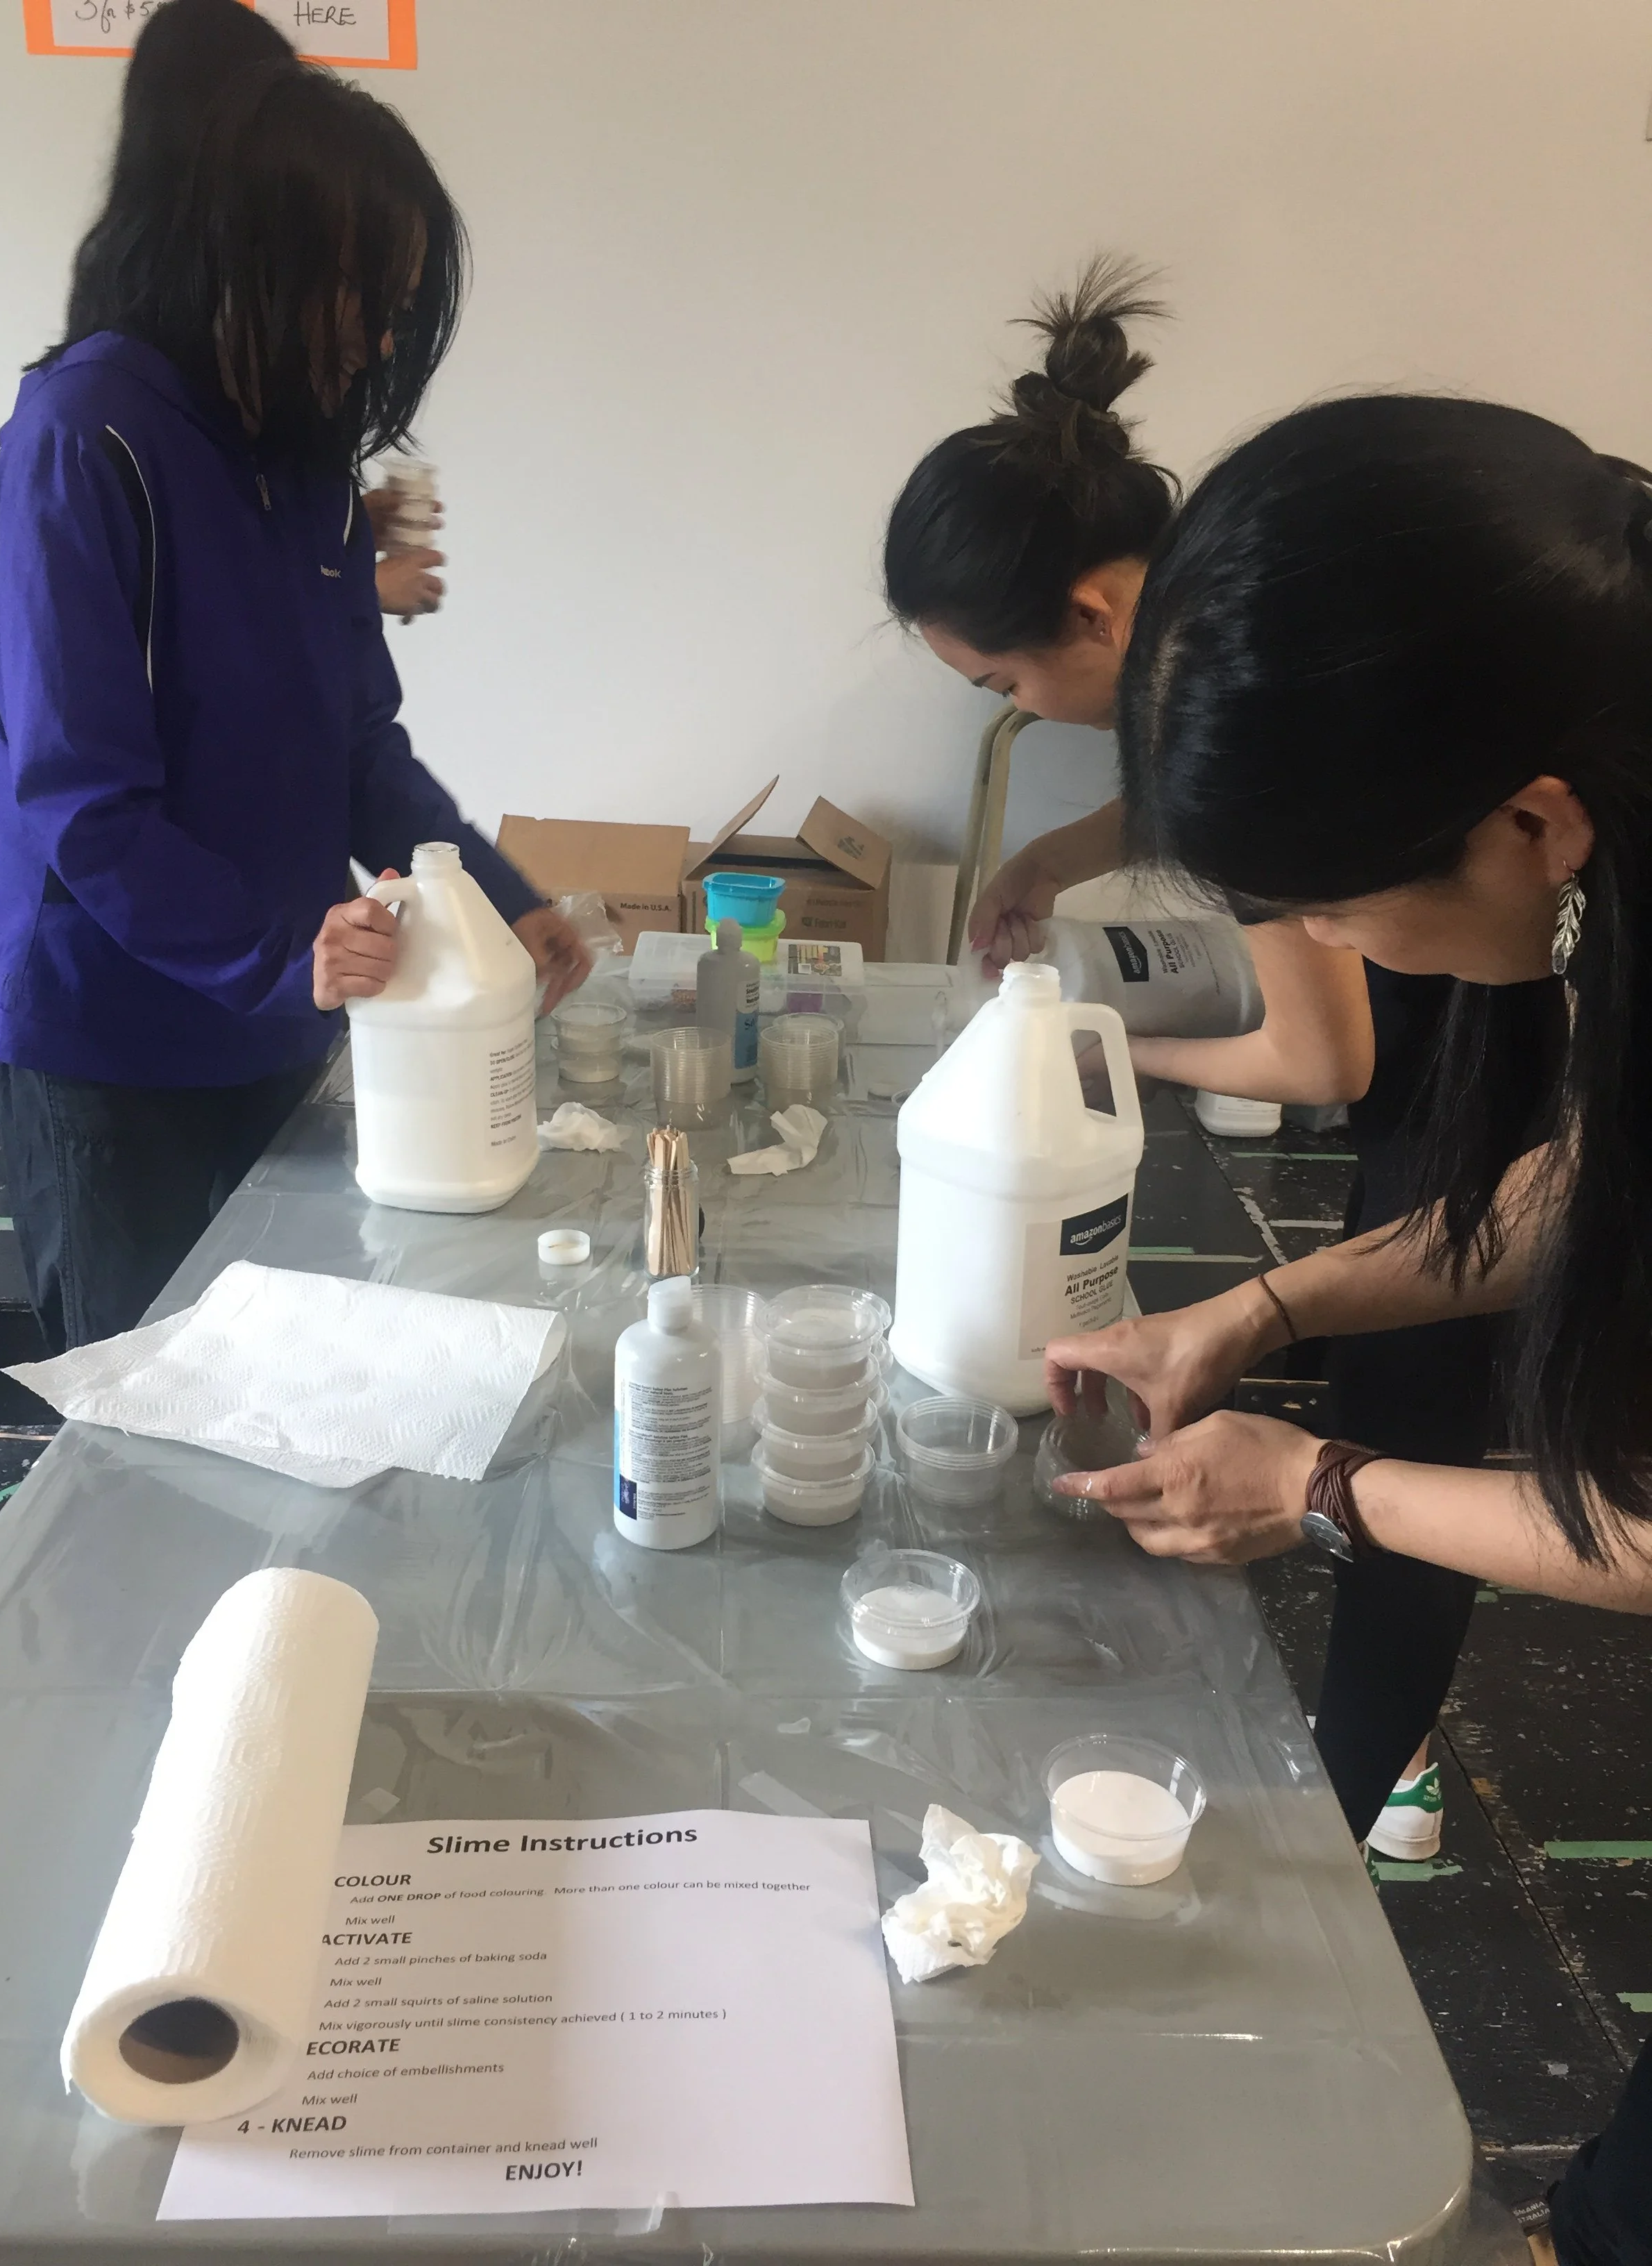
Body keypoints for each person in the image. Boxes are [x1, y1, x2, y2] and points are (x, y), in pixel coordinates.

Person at [1042, 391, 1652, 2266]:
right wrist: (1262, 1305)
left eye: (1339, 907)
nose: (1353, 953)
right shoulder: (1602, 837)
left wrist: (1329, 1485)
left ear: (1525, 821)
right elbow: (1582, 1196)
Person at [881, 260, 1544, 1859]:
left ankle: (1371, 1755)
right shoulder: (1218, 657)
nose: (1319, 929)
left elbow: (1323, 1058)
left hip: (1457, 1111)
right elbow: (1528, 1214)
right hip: (1473, 1103)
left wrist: (1329, 1485)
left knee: (1425, 1400)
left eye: (1000, 682)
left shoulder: (1261, 717)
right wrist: (1259, 1315)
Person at [0, 42, 589, 1356]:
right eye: (365, 293)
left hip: (283, 1003)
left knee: (294, 1358)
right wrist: (271, 957)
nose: (377, 335)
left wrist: (496, 895)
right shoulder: (88, 445)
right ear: (256, 257)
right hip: (112, 1035)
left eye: (398, 303)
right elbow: (85, 806)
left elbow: (361, 745)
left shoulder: (301, 466)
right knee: (141, 1392)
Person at [64, 0, 446, 623]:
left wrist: (339, 543)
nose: (379, 345)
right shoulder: (95, 435)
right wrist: (358, 588)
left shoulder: (270, 408)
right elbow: (215, 625)